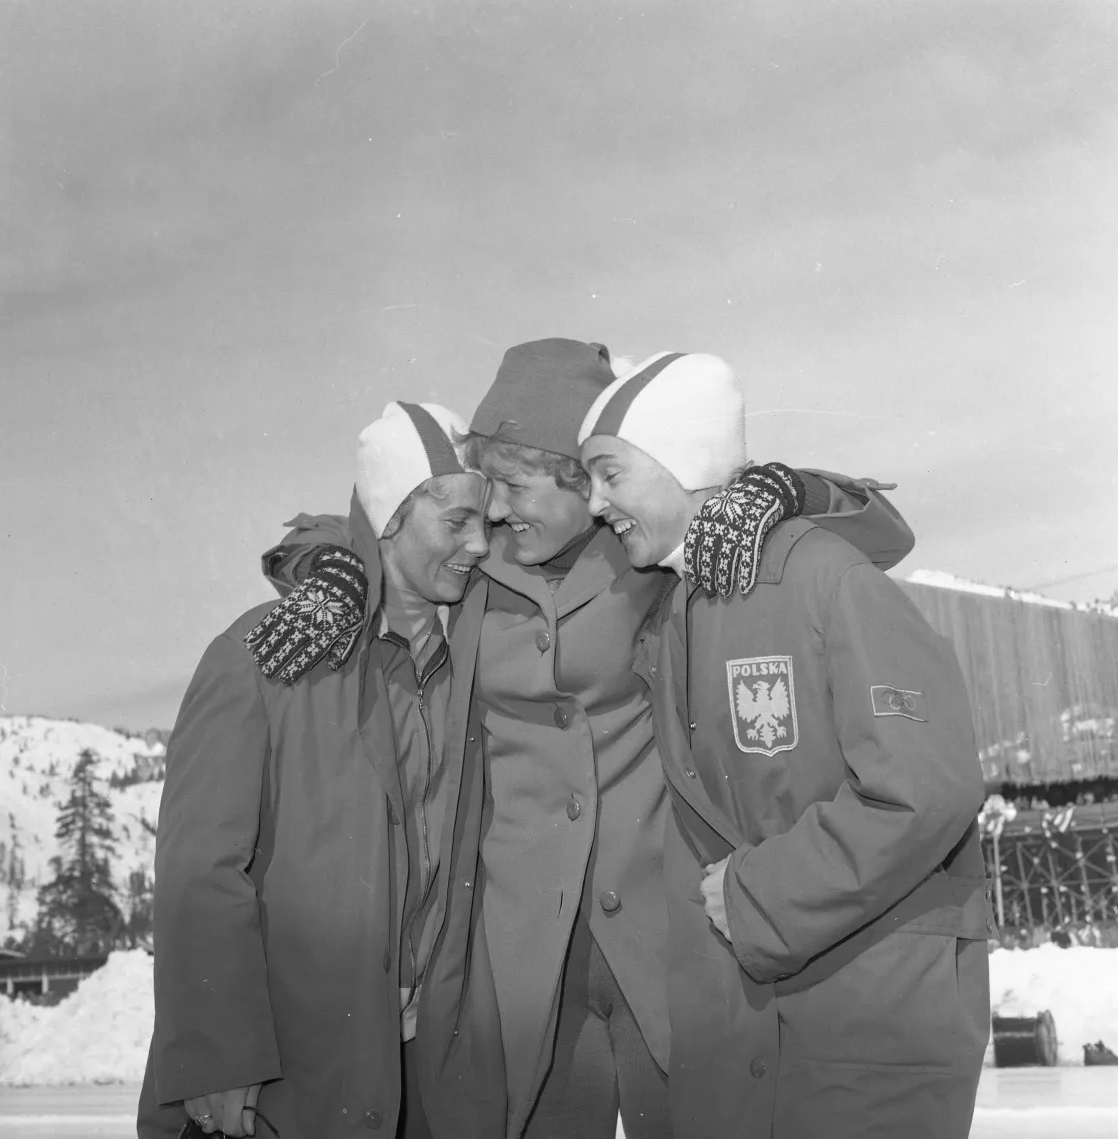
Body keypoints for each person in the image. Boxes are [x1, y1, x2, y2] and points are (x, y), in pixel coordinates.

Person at [254, 339, 917, 1139]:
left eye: (514, 485)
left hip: (670, 939)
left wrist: (777, 490)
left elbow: (882, 536)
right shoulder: (475, 559)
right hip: (523, 954)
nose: (493, 508)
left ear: (583, 476)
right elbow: (366, 525)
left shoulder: (648, 541)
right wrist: (333, 568)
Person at [579, 351, 992, 1139]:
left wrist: (761, 894)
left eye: (611, 473)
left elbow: (924, 786)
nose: (598, 503)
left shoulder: (823, 579)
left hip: (865, 1020)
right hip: (756, 1030)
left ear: (682, 460)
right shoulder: (683, 604)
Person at [137, 402, 493, 1139]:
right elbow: (199, 869)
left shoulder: (477, 663)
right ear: (392, 517)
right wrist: (216, 1053)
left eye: (484, 520)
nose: (480, 543)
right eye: (457, 521)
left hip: (428, 1072)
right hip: (285, 1073)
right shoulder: (264, 654)